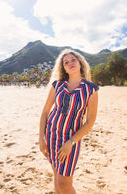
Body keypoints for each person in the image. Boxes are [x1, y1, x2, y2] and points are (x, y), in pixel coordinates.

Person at [39, 49, 99, 193]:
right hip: (51, 136)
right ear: (63, 68)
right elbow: (45, 112)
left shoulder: (91, 89)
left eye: (73, 60)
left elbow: (90, 121)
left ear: (80, 63)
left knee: (64, 183)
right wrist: (41, 139)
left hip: (70, 140)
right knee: (57, 178)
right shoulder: (57, 85)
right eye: (66, 62)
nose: (70, 63)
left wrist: (71, 142)